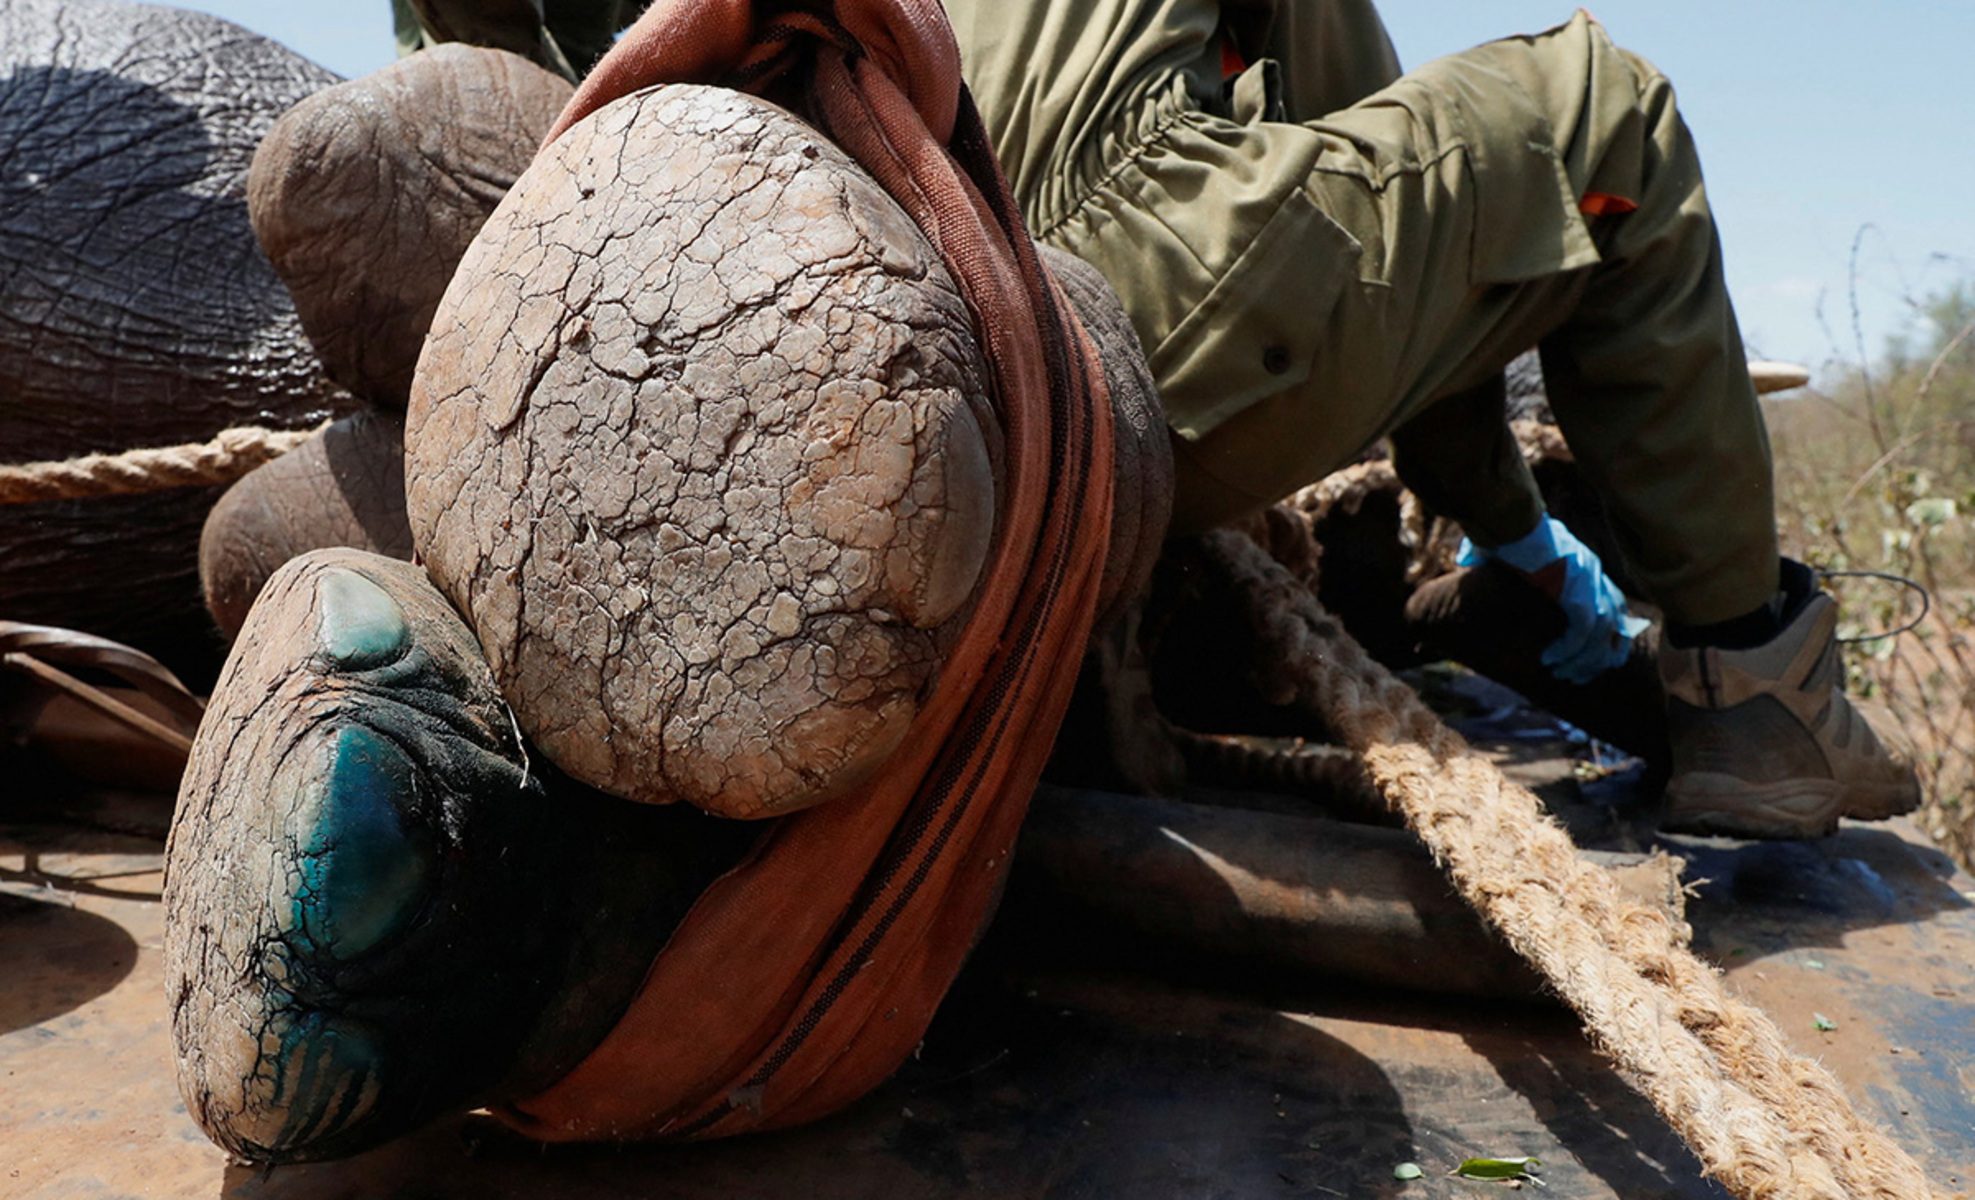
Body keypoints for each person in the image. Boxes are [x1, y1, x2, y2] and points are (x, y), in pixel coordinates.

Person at [389, 0, 1918, 840]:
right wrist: (1514, 533)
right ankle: (1756, 698)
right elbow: (1412, 241)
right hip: (1117, 301)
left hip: (821, 300)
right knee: (1611, 119)